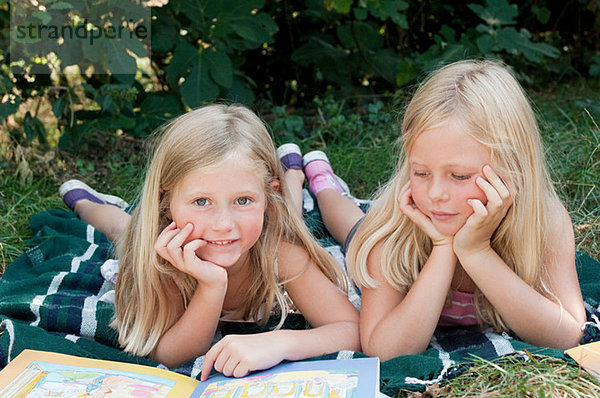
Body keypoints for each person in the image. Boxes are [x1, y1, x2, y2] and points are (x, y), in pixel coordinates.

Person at [292, 59, 586, 362]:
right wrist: (444, 248)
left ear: (512, 168)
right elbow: (383, 350)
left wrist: (476, 252)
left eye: (459, 176)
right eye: (420, 173)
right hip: (383, 229)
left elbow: (567, 335)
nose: (434, 195)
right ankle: (322, 182)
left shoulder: (545, 221)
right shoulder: (391, 230)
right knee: (350, 223)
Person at [59, 104, 360, 379]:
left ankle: (293, 175)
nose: (223, 224)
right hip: (140, 230)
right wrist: (211, 287)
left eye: (243, 199)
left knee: (290, 212)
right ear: (165, 201)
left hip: (272, 215)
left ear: (267, 196)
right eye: (202, 201)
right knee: (123, 228)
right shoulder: (163, 255)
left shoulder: (280, 251)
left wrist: (282, 342)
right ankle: (87, 203)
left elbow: (352, 330)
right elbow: (167, 353)